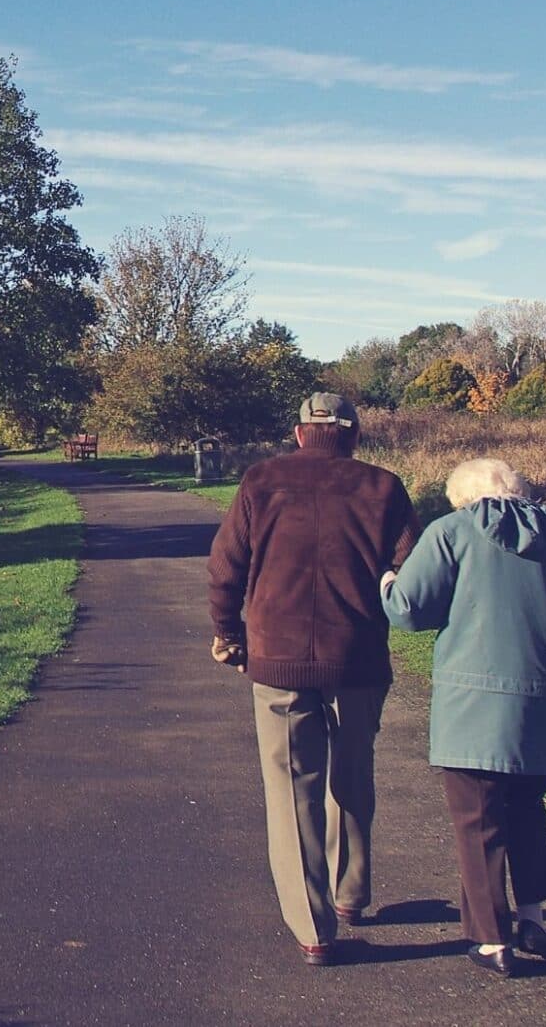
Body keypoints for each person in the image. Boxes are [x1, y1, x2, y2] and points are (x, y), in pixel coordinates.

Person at [379, 458, 546, 977]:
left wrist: (387, 582)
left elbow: (408, 609)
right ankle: (532, 918)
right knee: (525, 807)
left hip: (471, 710)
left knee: (478, 820)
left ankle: (492, 940)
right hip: (545, 708)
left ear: (463, 499)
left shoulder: (451, 533)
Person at [207, 392, 421, 966]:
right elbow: (410, 572)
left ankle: (314, 928)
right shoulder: (384, 487)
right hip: (358, 659)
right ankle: (351, 893)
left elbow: (225, 565)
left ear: (300, 433)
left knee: (292, 791)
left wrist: (228, 634)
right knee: (353, 774)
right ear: (353, 434)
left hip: (276, 659)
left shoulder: (261, 481)